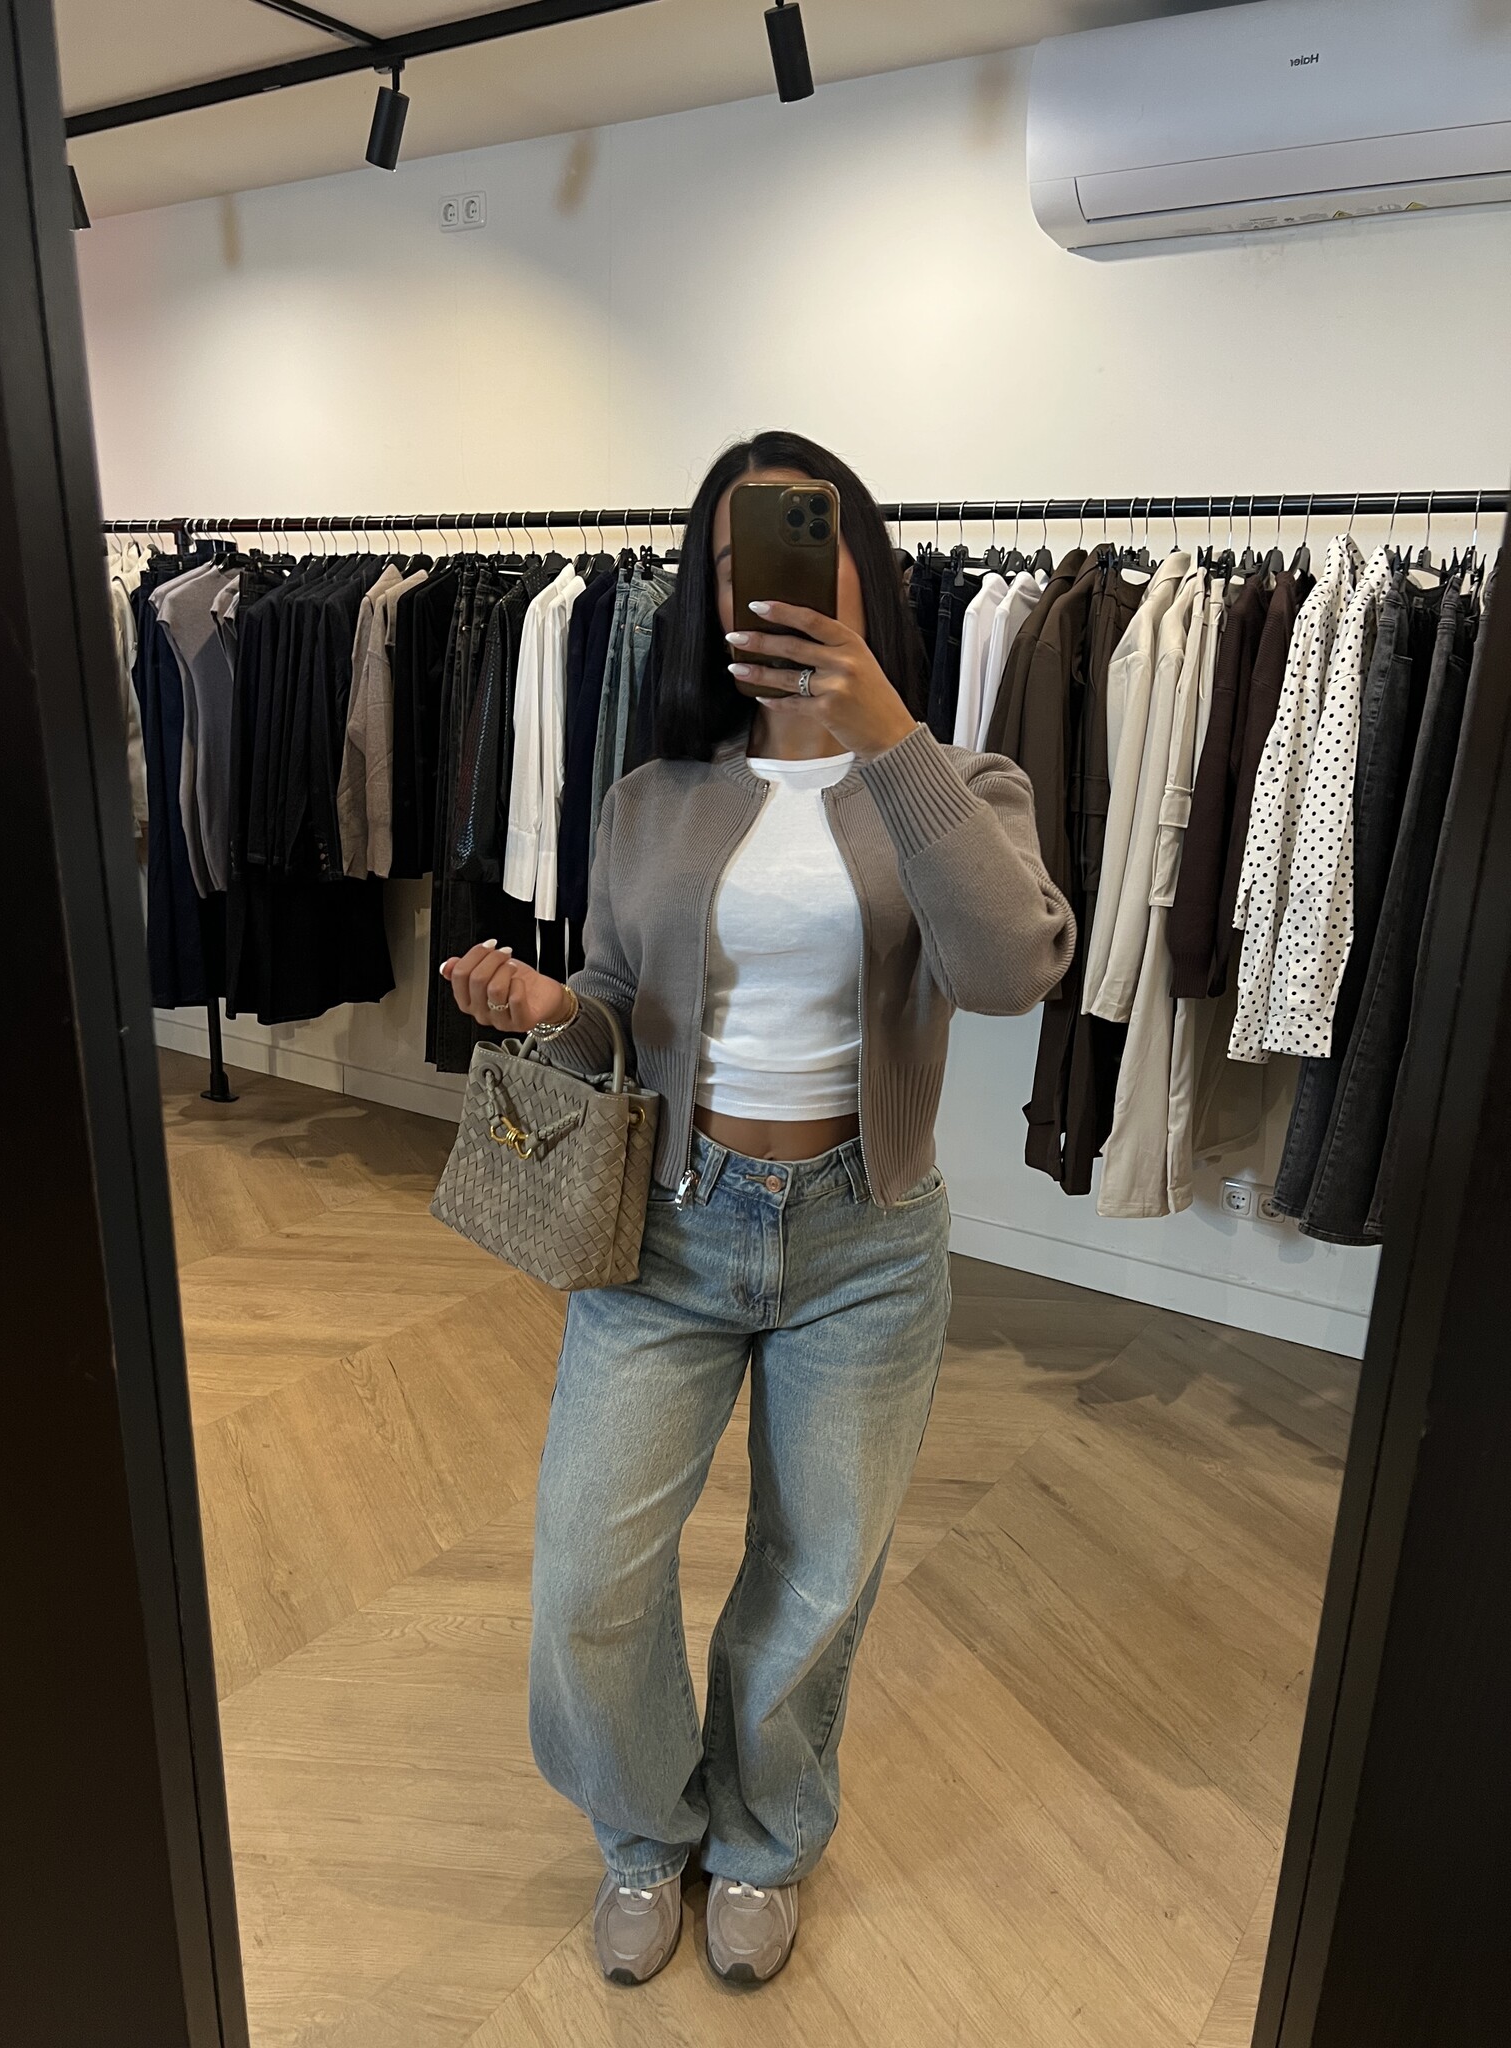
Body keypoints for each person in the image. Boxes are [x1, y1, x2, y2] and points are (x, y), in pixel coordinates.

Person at [442, 430, 1074, 1990]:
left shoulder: (962, 782)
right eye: (732, 561)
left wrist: (884, 732)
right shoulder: (654, 795)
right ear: (704, 596)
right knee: (588, 1578)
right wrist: (552, 1010)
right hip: (668, 1225)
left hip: (865, 1240)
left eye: (803, 538)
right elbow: (615, 1001)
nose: (768, 579)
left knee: (816, 1574)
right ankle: (643, 1828)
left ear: (861, 559)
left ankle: (765, 1840)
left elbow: (1009, 971)